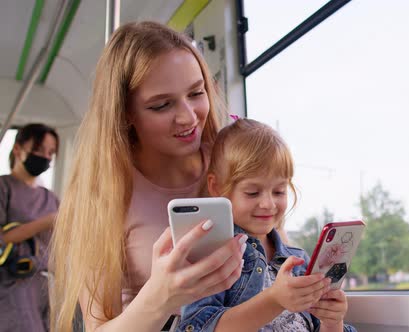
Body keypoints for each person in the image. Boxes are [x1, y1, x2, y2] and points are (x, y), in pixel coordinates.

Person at [49, 21, 246, 332]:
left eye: (196, 93)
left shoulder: (234, 161)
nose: (188, 116)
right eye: (161, 105)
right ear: (125, 113)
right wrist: (161, 297)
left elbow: (279, 251)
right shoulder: (104, 195)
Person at [178, 118, 356, 332]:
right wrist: (274, 300)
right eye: (253, 192)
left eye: (279, 191)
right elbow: (197, 327)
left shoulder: (298, 261)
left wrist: (332, 322)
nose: (268, 204)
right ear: (216, 187)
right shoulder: (213, 258)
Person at [0, 123, 60, 331]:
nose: (45, 156)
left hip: (43, 287)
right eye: (38, 149)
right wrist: (44, 222)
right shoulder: (4, 188)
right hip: (12, 285)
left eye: (50, 152)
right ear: (17, 149)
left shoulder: (50, 198)